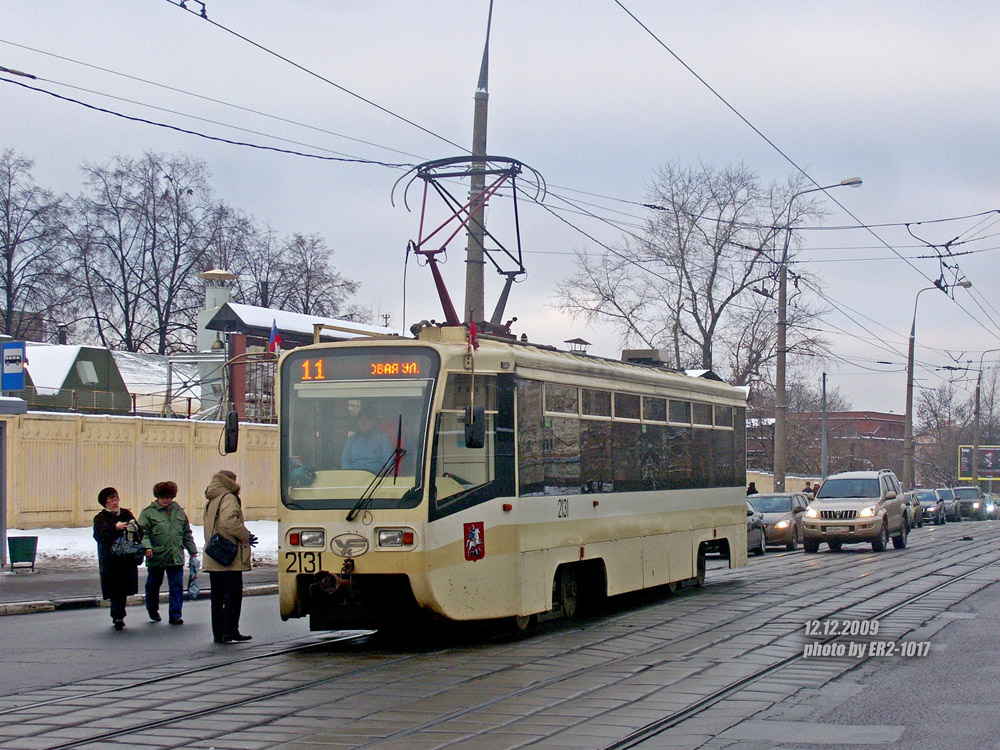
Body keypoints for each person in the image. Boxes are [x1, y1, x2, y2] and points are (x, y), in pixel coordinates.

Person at [203, 469, 256, 644]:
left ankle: (218, 633)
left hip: (214, 554)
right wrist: (245, 535)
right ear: (230, 481)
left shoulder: (212, 497)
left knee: (217, 597)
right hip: (229, 554)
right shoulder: (229, 498)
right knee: (233, 595)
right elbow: (230, 521)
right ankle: (230, 630)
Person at [138, 481, 198, 625]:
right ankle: (152, 609)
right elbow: (142, 533)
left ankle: (175, 614)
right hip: (156, 555)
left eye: (168, 497)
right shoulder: (148, 513)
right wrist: (147, 547)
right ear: (157, 497)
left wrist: (192, 550)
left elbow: (186, 533)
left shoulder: (179, 512)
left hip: (175, 555)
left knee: (176, 585)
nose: (165, 500)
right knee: (153, 584)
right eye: (163, 497)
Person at [92, 487, 140, 630]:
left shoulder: (126, 513)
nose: (114, 502)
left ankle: (120, 613)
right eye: (111, 500)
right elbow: (99, 536)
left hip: (126, 559)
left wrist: (133, 527)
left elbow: (139, 530)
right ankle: (117, 615)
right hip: (111, 560)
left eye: (116, 499)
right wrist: (115, 528)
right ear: (105, 503)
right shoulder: (100, 518)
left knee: (124, 587)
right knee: (114, 587)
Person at [341, 405, 392, 473]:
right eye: (361, 419)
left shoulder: (382, 438)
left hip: (376, 479)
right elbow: (344, 462)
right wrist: (352, 475)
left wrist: (382, 474)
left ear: (373, 422)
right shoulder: (351, 440)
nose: (364, 423)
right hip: (355, 479)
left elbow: (389, 461)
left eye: (367, 419)